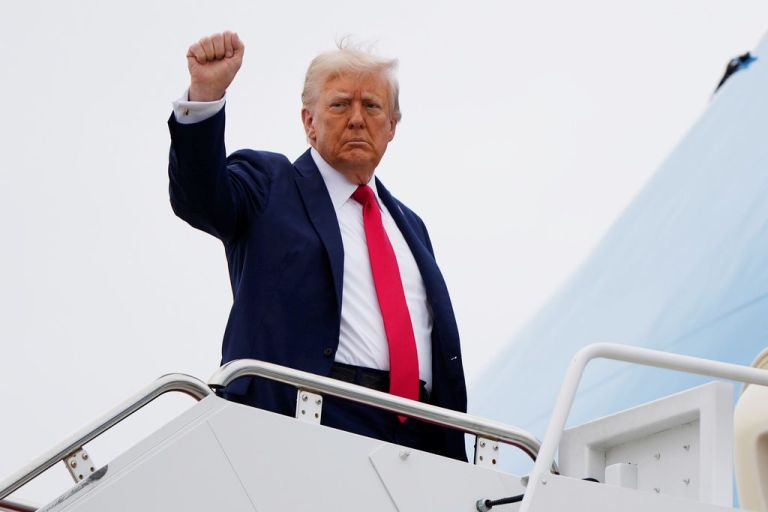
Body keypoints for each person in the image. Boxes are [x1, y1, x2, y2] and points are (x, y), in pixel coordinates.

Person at [167, 31, 467, 461]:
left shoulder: (411, 227)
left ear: (392, 126)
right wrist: (205, 97)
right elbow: (199, 198)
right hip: (311, 420)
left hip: (416, 439)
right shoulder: (270, 184)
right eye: (341, 104)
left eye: (372, 106)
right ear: (309, 121)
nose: (358, 118)